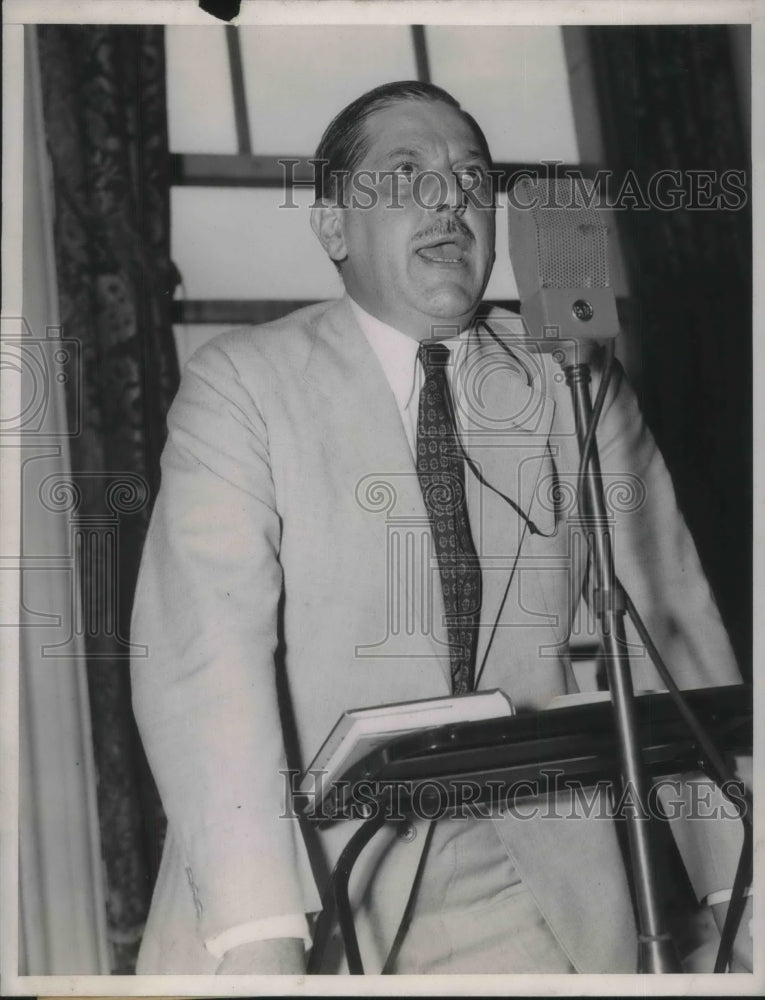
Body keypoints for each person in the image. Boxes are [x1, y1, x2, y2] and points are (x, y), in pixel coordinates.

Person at [130, 81, 748, 975]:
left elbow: (672, 630)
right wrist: (260, 935)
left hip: (539, 891)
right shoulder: (243, 385)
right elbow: (204, 665)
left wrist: (741, 890)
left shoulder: (572, 378)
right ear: (333, 227)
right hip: (316, 877)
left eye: (470, 178)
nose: (448, 199)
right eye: (406, 173)